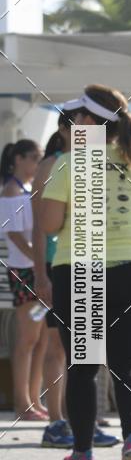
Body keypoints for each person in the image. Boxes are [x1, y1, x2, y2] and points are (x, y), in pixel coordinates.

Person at [40, 85, 131, 460]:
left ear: (91, 122)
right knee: (129, 364)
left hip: (82, 270)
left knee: (85, 365)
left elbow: (50, 224)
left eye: (77, 116)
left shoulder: (69, 162)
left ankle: (82, 452)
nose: (72, 123)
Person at [32, 112, 119, 449]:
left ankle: (84, 421)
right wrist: (41, 274)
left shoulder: (98, 161)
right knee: (57, 345)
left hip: (91, 262)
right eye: (82, 125)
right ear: (65, 130)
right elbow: (40, 225)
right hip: (59, 263)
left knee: (89, 349)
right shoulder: (51, 163)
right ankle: (56, 422)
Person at [0, 139, 46, 420]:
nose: (37, 163)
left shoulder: (28, 190)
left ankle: (34, 398)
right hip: (23, 272)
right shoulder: (11, 192)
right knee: (27, 340)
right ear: (17, 159)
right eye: (33, 157)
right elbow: (14, 234)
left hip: (35, 270)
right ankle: (22, 402)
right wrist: (40, 261)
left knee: (39, 339)